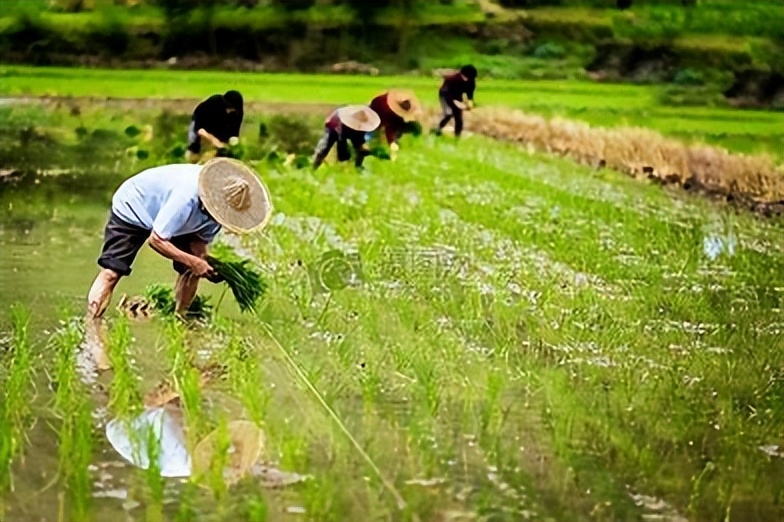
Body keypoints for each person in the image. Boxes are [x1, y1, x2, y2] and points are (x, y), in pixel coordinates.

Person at [84, 158, 272, 367]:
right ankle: (92, 329)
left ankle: (180, 320)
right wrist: (193, 261)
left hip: (176, 221)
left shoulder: (218, 215)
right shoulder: (186, 197)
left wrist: (204, 264)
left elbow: (199, 248)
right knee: (112, 272)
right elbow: (156, 240)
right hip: (135, 207)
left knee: (191, 271)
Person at [311, 105, 381, 170]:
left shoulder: (362, 127)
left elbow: (360, 139)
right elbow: (341, 140)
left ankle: (358, 167)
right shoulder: (341, 123)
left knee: (362, 149)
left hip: (349, 131)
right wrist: (344, 158)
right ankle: (313, 166)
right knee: (325, 147)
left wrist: (362, 147)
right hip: (333, 127)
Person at [186, 91, 244, 163]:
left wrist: (232, 146)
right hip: (201, 123)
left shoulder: (237, 112)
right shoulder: (211, 105)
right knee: (194, 148)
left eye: (232, 110)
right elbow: (200, 130)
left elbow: (234, 134)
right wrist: (215, 141)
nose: (229, 112)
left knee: (222, 152)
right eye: (228, 109)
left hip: (219, 127)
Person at [368, 89, 422, 161]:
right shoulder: (386, 110)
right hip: (375, 116)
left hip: (381, 114)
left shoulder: (395, 102)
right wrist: (392, 142)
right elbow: (389, 128)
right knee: (372, 139)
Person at [435, 64, 478, 138]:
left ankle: (457, 136)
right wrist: (455, 102)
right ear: (462, 74)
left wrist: (470, 103)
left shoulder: (471, 81)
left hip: (457, 97)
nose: (467, 80)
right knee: (448, 113)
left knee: (458, 117)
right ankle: (437, 130)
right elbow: (445, 92)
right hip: (445, 96)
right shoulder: (451, 79)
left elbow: (470, 93)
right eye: (465, 78)